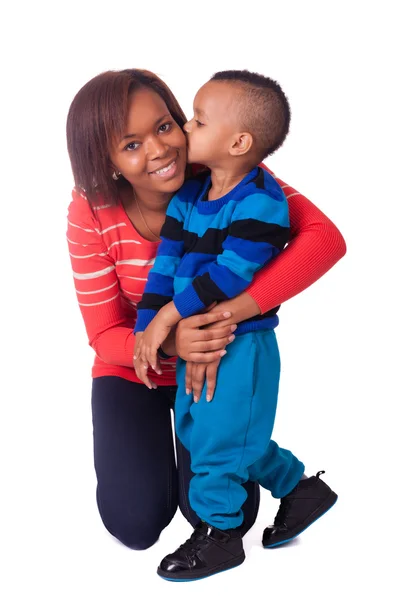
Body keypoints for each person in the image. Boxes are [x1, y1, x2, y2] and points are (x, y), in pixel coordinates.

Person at [65, 69, 346, 566]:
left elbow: (324, 240)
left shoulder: (224, 172)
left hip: (223, 351)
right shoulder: (94, 211)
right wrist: (171, 340)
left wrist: (221, 320)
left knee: (219, 498)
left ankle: (230, 529)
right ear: (105, 160)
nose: (159, 149)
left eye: (167, 126)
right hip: (136, 367)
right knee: (134, 523)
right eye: (131, 145)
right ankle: (291, 487)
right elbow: (105, 333)